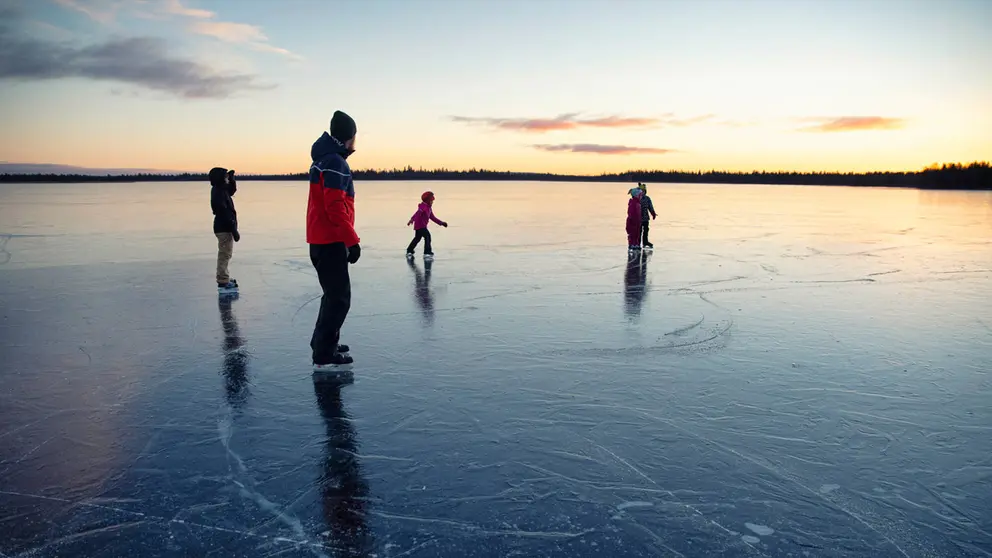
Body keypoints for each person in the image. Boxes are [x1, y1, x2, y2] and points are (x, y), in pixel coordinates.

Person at [308, 111, 361, 371]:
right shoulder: (335, 163)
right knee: (339, 298)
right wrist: (351, 240)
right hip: (330, 241)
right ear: (346, 138)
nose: (356, 142)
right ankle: (324, 353)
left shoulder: (322, 160)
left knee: (331, 295)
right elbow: (335, 208)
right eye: (354, 136)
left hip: (319, 240)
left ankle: (323, 342)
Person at [210, 166, 240, 293]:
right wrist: (234, 229)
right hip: (224, 228)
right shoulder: (219, 192)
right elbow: (224, 213)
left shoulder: (221, 189)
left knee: (226, 254)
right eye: (226, 177)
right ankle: (223, 281)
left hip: (224, 227)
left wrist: (232, 179)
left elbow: (231, 190)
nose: (227, 179)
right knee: (224, 254)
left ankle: (224, 278)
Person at [406, 191, 448, 259]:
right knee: (427, 236)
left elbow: (433, 218)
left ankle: (409, 250)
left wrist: (441, 223)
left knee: (417, 238)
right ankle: (427, 252)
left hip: (422, 226)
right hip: (420, 226)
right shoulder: (423, 206)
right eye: (431, 200)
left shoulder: (429, 208)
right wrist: (412, 219)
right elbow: (417, 213)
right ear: (428, 200)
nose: (432, 202)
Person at [639, 183, 657, 249]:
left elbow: (650, 206)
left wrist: (653, 213)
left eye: (643, 191)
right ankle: (637, 243)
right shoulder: (637, 198)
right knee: (639, 231)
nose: (642, 193)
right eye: (641, 191)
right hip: (638, 218)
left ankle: (645, 242)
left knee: (646, 230)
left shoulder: (647, 198)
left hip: (646, 218)